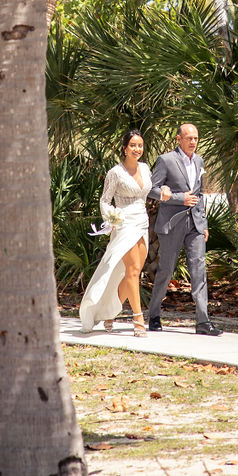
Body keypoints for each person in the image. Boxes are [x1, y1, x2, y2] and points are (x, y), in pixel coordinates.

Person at [146, 122, 222, 336]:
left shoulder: (199, 160)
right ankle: (153, 315)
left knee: (199, 271)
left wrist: (204, 223)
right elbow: (152, 189)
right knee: (166, 270)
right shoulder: (166, 160)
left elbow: (199, 195)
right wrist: (179, 198)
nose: (193, 142)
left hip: (195, 225)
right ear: (178, 139)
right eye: (189, 138)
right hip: (171, 224)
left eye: (196, 138)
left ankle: (203, 322)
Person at [79, 130, 150, 336]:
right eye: (133, 145)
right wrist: (112, 218)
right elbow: (104, 200)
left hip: (143, 221)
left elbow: (146, 194)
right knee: (133, 271)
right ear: (125, 148)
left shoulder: (145, 168)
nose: (137, 149)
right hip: (125, 223)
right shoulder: (115, 173)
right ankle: (138, 318)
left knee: (134, 273)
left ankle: (110, 313)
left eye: (140, 145)